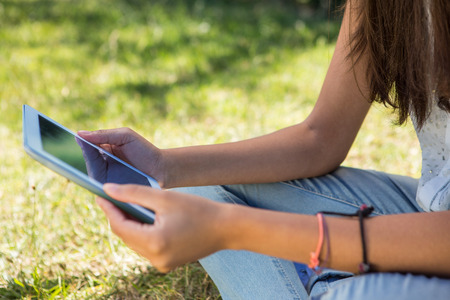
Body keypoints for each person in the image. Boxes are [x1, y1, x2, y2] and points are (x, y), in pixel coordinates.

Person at [78, 0, 450, 299]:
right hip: (428, 211)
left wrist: (229, 229)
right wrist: (164, 166)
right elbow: (320, 137)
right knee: (197, 190)